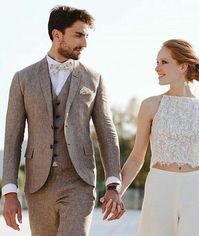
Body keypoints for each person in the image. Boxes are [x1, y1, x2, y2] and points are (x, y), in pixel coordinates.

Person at [1, 5, 124, 236]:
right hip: (38, 186)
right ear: (57, 35)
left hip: (79, 181)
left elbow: (107, 132)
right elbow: (12, 137)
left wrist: (113, 185)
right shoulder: (23, 79)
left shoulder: (94, 78)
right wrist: (9, 191)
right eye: (78, 35)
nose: (84, 43)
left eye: (86, 36)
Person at [119, 39, 199, 236]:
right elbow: (136, 157)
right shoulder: (150, 105)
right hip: (160, 186)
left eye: (163, 62)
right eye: (157, 62)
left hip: (197, 189)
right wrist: (117, 192)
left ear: (183, 66)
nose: (157, 68)